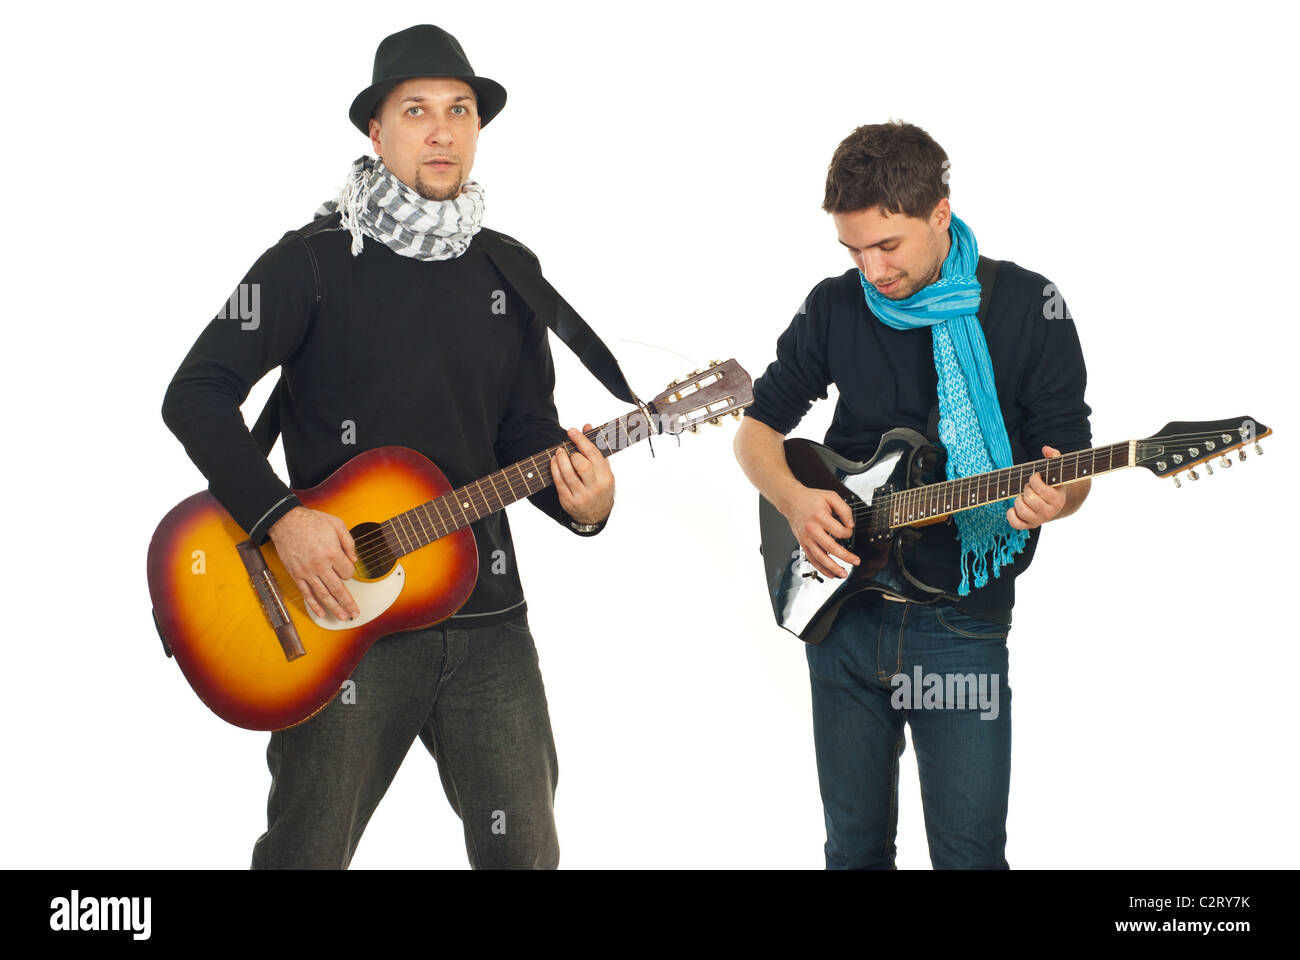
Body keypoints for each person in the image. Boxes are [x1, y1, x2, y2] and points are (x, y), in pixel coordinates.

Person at [161, 24, 615, 869]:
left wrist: (583, 505)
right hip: (336, 619)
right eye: (417, 111)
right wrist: (281, 519)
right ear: (377, 132)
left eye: (460, 110)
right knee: (306, 853)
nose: (442, 130)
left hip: (488, 622)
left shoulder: (508, 270)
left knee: (526, 856)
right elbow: (195, 394)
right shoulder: (310, 262)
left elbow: (523, 432)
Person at [734, 121, 1092, 869]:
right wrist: (797, 502)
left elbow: (1073, 458)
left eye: (886, 246)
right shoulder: (834, 305)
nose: (870, 268)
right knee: (854, 852)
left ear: (939, 212)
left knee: (968, 856)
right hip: (842, 622)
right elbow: (757, 432)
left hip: (959, 626)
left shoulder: (1030, 306)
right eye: (852, 249)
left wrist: (1056, 497)